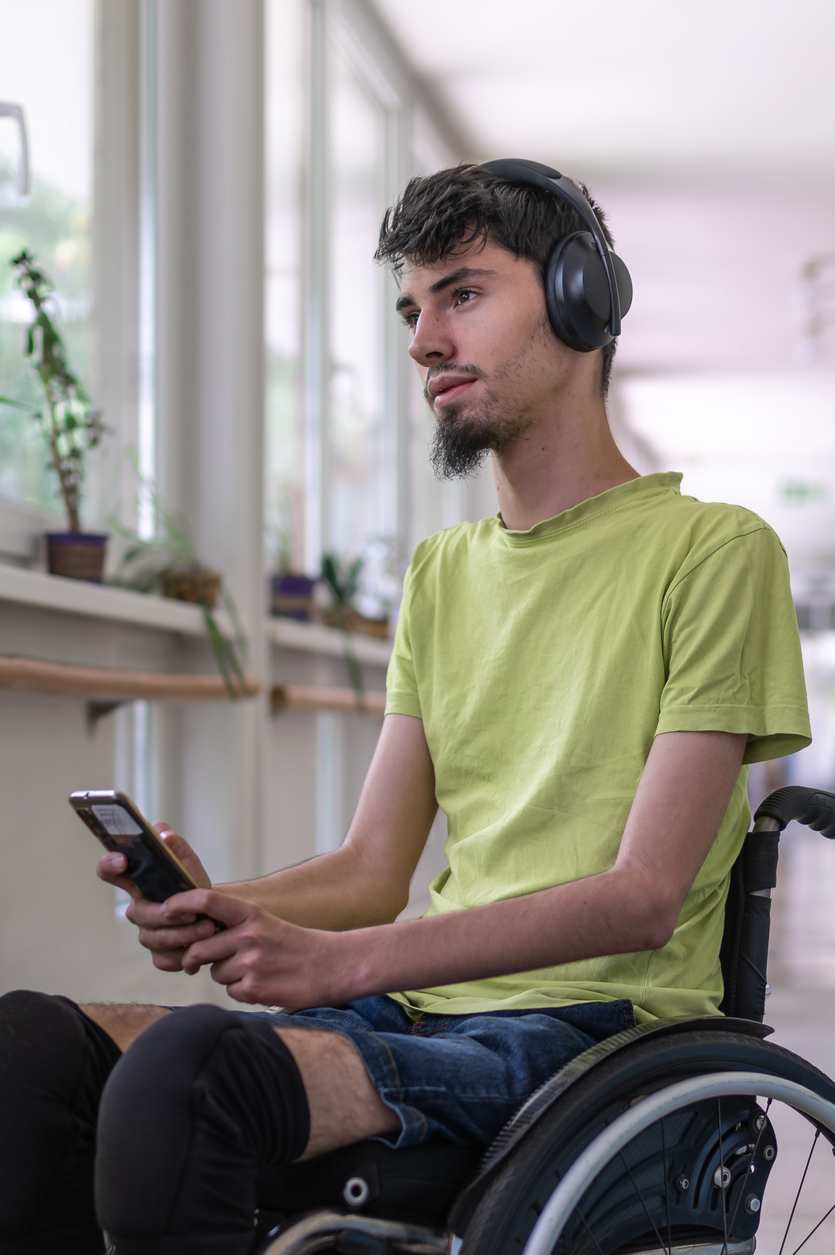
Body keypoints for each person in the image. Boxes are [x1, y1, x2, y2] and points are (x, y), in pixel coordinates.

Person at [0, 164, 810, 1255]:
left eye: (462, 295)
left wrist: (342, 963)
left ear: (583, 299)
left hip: (585, 1034)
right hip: (421, 1011)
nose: (425, 338)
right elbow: (375, 869)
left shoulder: (714, 552)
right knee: (27, 1050)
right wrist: (230, 908)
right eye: (411, 309)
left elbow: (640, 900)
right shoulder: (442, 573)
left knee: (188, 1079)